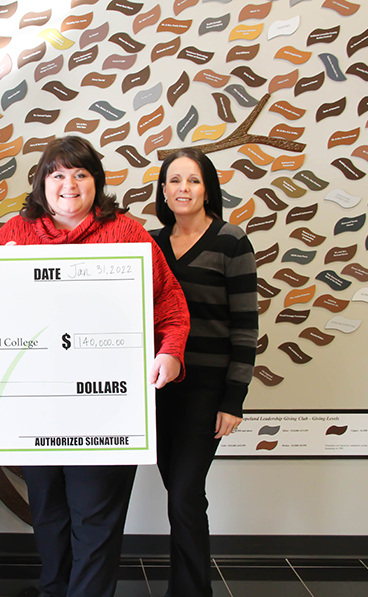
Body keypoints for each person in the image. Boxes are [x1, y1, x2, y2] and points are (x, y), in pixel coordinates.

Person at [0, 136, 190, 597]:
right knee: (48, 511)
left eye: (80, 173)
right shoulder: (13, 236)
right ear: (41, 183)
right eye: (57, 174)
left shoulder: (127, 233)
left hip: (107, 403)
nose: (68, 183)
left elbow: (171, 304)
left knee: (96, 516)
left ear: (96, 182)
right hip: (35, 404)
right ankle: (54, 590)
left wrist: (171, 352)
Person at [150, 148, 258, 597]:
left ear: (208, 189)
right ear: (162, 189)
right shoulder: (149, 242)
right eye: (174, 180)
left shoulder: (231, 242)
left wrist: (234, 399)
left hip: (206, 391)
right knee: (179, 496)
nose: (183, 189)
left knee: (185, 497)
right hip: (156, 390)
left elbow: (246, 327)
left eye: (193, 181)